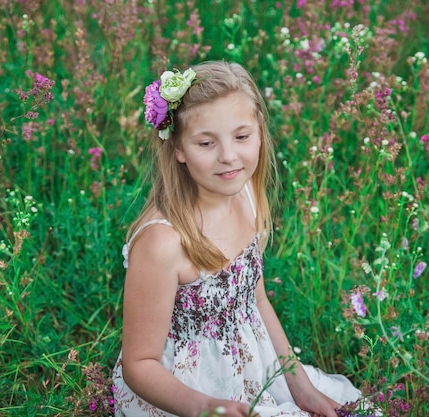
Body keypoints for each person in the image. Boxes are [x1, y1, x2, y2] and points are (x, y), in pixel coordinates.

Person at [112, 61, 362, 417]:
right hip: (184, 390)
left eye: (241, 137)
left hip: (252, 364)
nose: (228, 156)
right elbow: (139, 364)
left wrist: (300, 387)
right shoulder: (163, 243)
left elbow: (255, 299)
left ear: (259, 132)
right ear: (179, 149)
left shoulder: (245, 197)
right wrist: (205, 407)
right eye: (206, 142)